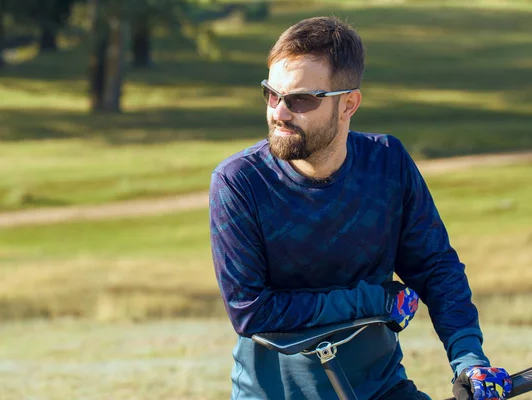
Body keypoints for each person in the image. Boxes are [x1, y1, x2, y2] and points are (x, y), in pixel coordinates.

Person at [209, 15, 512, 400]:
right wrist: (375, 301)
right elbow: (252, 311)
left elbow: (436, 269)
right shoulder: (238, 183)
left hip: (382, 388)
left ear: (348, 104)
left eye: (300, 99)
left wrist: (469, 360)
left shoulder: (388, 163)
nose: (279, 113)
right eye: (272, 94)